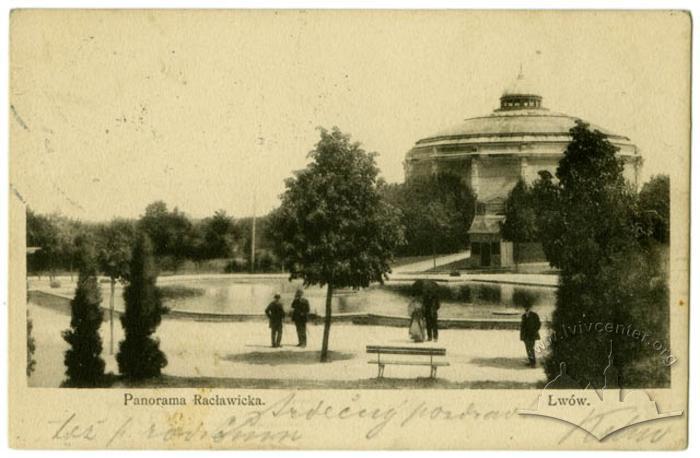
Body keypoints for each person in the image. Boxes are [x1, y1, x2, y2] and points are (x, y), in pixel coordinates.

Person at [520, 303, 541, 367]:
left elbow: (539, 324)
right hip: (526, 335)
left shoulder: (534, 315)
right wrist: (522, 335)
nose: (526, 309)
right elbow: (522, 326)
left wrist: (535, 330)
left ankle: (533, 363)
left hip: (532, 335)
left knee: (531, 348)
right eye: (525, 307)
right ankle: (530, 361)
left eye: (527, 307)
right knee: (527, 348)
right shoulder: (523, 316)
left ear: (530, 308)